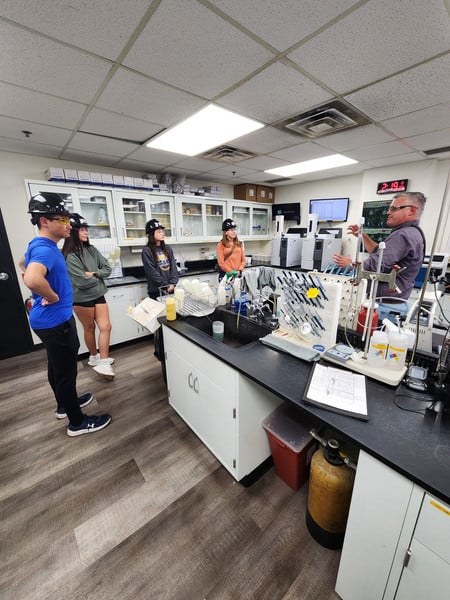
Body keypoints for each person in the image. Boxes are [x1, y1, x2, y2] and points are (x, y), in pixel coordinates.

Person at [22, 193, 111, 436]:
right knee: (65, 373)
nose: (68, 225)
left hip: (47, 320)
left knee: (56, 367)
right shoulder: (48, 250)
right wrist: (51, 294)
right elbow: (31, 277)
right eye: (61, 219)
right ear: (44, 221)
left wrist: (41, 289)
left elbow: (23, 265)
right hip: (55, 321)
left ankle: (64, 404)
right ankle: (77, 422)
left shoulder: (39, 245)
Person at [333, 192, 426, 323]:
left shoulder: (403, 235)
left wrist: (350, 265)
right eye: (389, 208)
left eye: (394, 208)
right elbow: (379, 252)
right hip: (392, 304)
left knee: (374, 342)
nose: (388, 212)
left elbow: (376, 263)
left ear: (412, 210)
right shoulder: (411, 233)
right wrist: (363, 236)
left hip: (385, 307)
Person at [62, 213, 115, 380]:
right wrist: (97, 279)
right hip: (81, 298)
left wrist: (93, 274)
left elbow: (107, 269)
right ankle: (94, 357)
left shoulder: (91, 249)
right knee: (89, 328)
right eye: (82, 230)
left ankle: (104, 361)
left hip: (98, 294)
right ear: (73, 232)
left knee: (106, 327)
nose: (86, 233)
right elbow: (81, 282)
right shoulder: (69, 255)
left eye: (86, 229)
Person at [142, 219, 179, 299]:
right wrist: (165, 286)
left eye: (162, 231)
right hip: (156, 290)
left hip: (170, 288)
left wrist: (172, 284)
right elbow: (152, 272)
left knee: (171, 311)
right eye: (159, 232)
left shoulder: (168, 249)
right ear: (151, 234)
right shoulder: (147, 251)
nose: (162, 234)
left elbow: (174, 267)